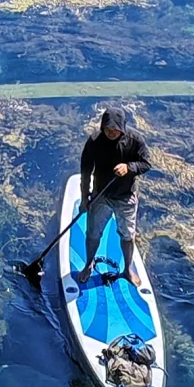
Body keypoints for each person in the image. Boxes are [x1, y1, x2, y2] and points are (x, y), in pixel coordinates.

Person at [77, 105, 151, 286]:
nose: (111, 133)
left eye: (115, 130)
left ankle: (127, 269)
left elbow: (146, 163)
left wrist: (129, 167)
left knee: (127, 235)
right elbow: (86, 171)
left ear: (122, 128)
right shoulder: (94, 141)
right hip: (100, 194)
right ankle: (88, 264)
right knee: (93, 233)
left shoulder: (135, 140)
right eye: (108, 129)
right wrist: (84, 197)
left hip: (125, 196)